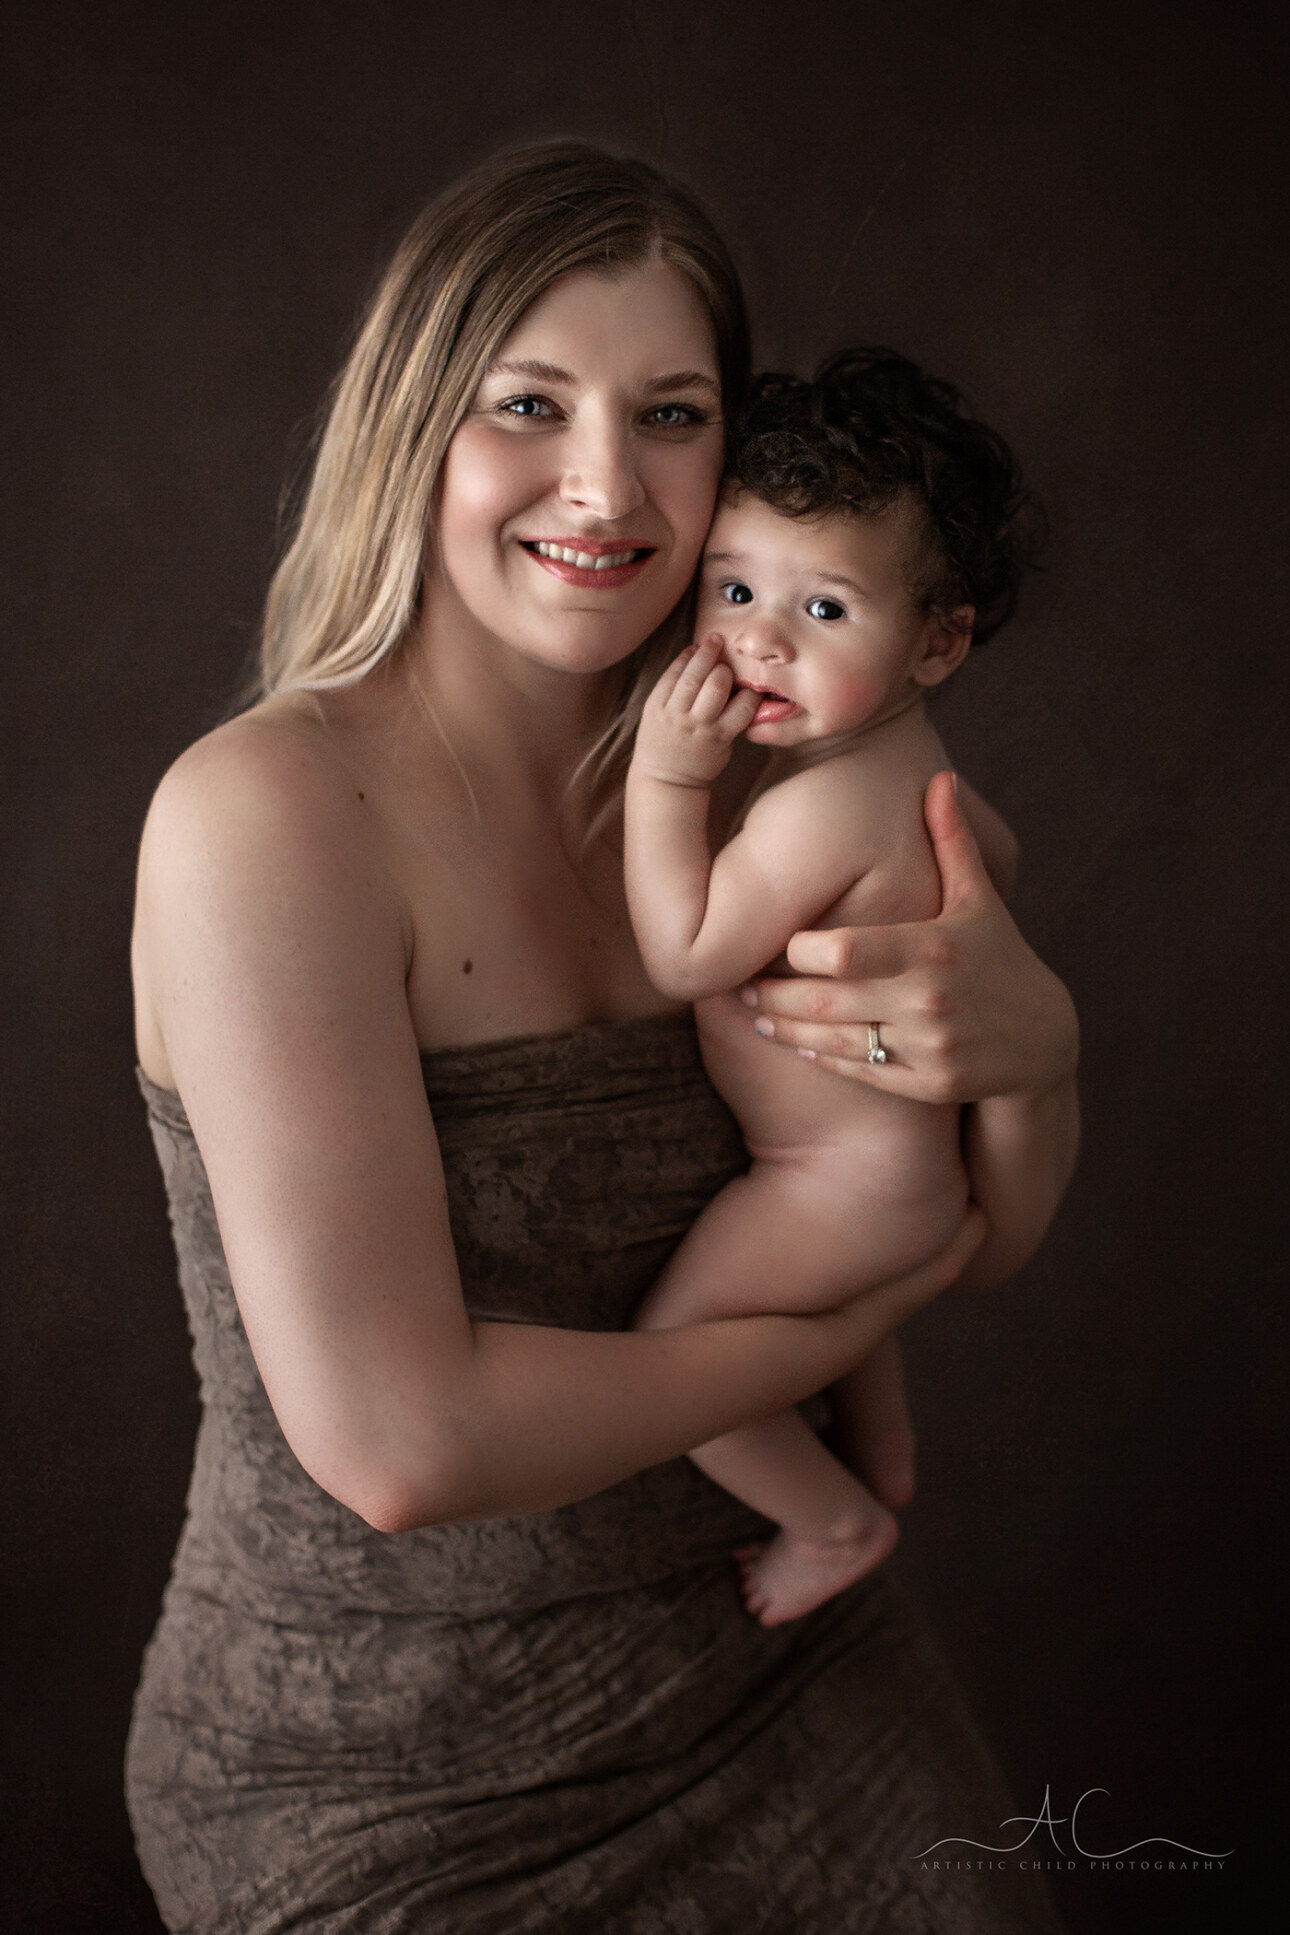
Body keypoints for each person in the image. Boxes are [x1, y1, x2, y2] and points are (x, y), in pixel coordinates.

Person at [126, 141, 1078, 1932]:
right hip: (390, 1785)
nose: (602, 481)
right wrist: (840, 1325)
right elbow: (406, 1445)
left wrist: (1039, 1061)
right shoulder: (261, 817)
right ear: (413, 420)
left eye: (672, 411)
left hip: (778, 1662)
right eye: (529, 402)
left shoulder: (768, 768)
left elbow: (991, 1237)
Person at [626, 350, 1054, 1629]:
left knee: (679, 1365)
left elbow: (686, 955)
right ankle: (887, 1446)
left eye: (824, 612)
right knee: (836, 1321)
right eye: (738, 586)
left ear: (937, 641)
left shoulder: (817, 810)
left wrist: (666, 782)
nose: (757, 637)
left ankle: (836, 1518)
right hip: (898, 1178)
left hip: (832, 1186)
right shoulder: (910, 770)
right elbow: (1001, 859)